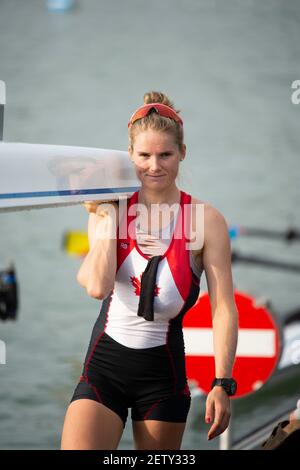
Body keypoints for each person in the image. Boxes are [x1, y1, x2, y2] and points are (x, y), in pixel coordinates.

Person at [60, 91, 238, 450]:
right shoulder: (108, 208)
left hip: (163, 377)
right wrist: (108, 215)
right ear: (130, 155)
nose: (154, 166)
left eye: (165, 155)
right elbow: (96, 286)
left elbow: (222, 308)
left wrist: (222, 383)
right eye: (144, 155)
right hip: (103, 369)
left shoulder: (206, 222)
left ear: (182, 154)